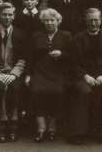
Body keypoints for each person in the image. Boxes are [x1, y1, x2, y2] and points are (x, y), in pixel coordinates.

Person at [68, 8, 102, 145]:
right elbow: (73, 63)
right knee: (84, 92)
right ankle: (78, 133)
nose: (93, 23)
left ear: (101, 20)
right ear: (85, 21)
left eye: (96, 20)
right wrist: (85, 76)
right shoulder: (77, 38)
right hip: (83, 76)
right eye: (90, 20)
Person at [25, 8, 72, 143]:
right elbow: (30, 57)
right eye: (46, 21)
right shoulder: (36, 36)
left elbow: (73, 56)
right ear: (42, 22)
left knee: (57, 92)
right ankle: (41, 128)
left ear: (58, 21)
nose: (49, 23)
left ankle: (52, 128)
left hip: (59, 73)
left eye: (52, 20)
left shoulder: (66, 35)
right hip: (40, 72)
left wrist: (62, 54)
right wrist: (28, 75)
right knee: (37, 92)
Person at [0, 2, 27, 143]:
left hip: (13, 72)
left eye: (10, 14)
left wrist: (14, 74)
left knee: (14, 86)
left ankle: (13, 124)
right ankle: (1, 125)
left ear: (14, 16)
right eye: (4, 14)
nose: (7, 17)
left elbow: (24, 57)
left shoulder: (21, 34)